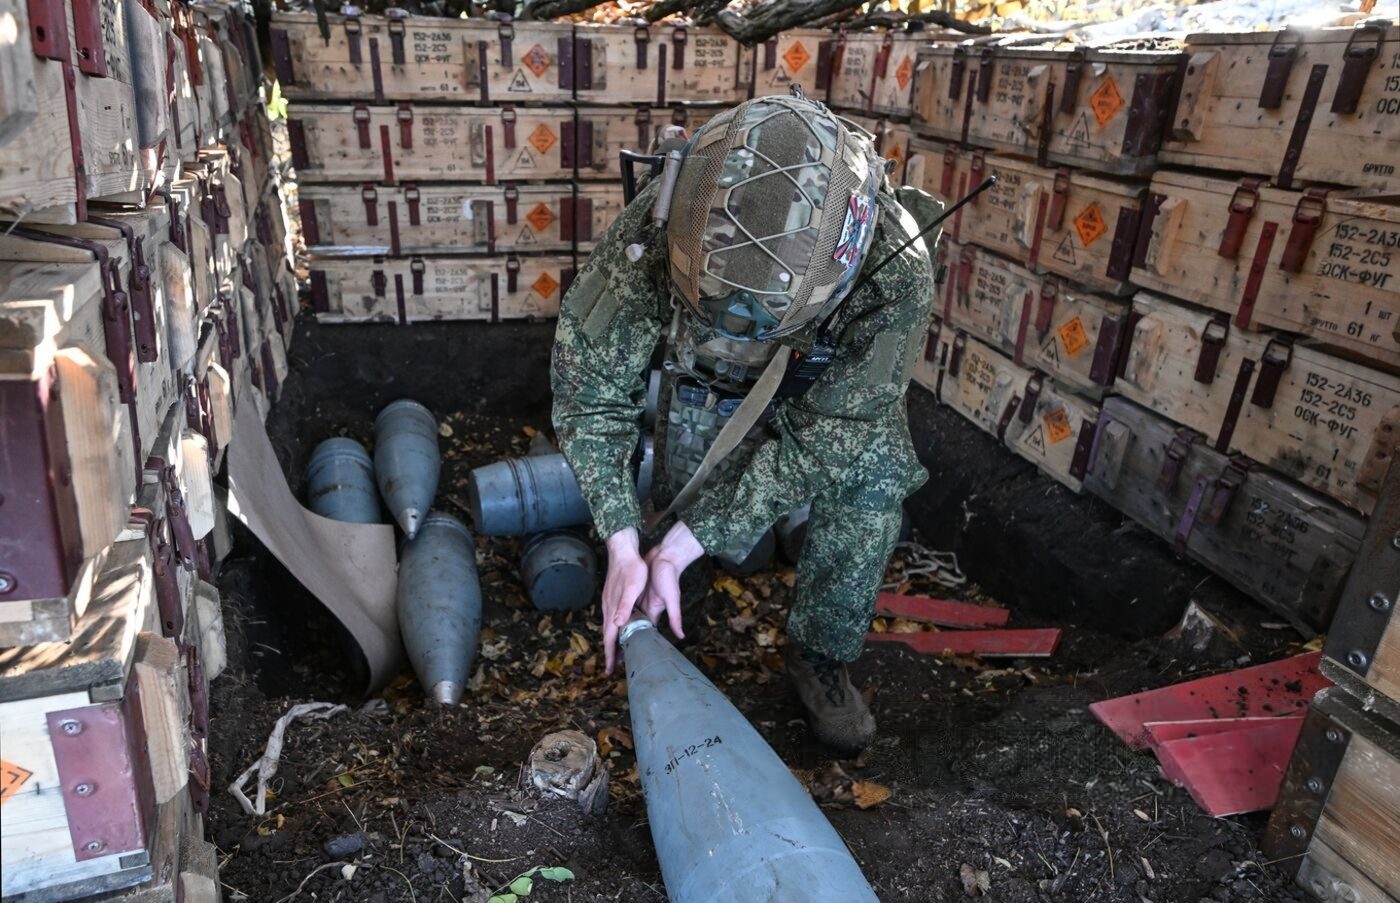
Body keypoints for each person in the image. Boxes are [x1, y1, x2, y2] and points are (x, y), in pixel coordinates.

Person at [551, 89, 943, 753]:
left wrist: (697, 534)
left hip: (832, 386)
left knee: (871, 480)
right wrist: (623, 537)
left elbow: (831, 437)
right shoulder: (672, 215)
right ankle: (677, 627)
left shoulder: (894, 269)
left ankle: (820, 651)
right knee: (688, 465)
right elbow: (588, 377)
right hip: (708, 365)